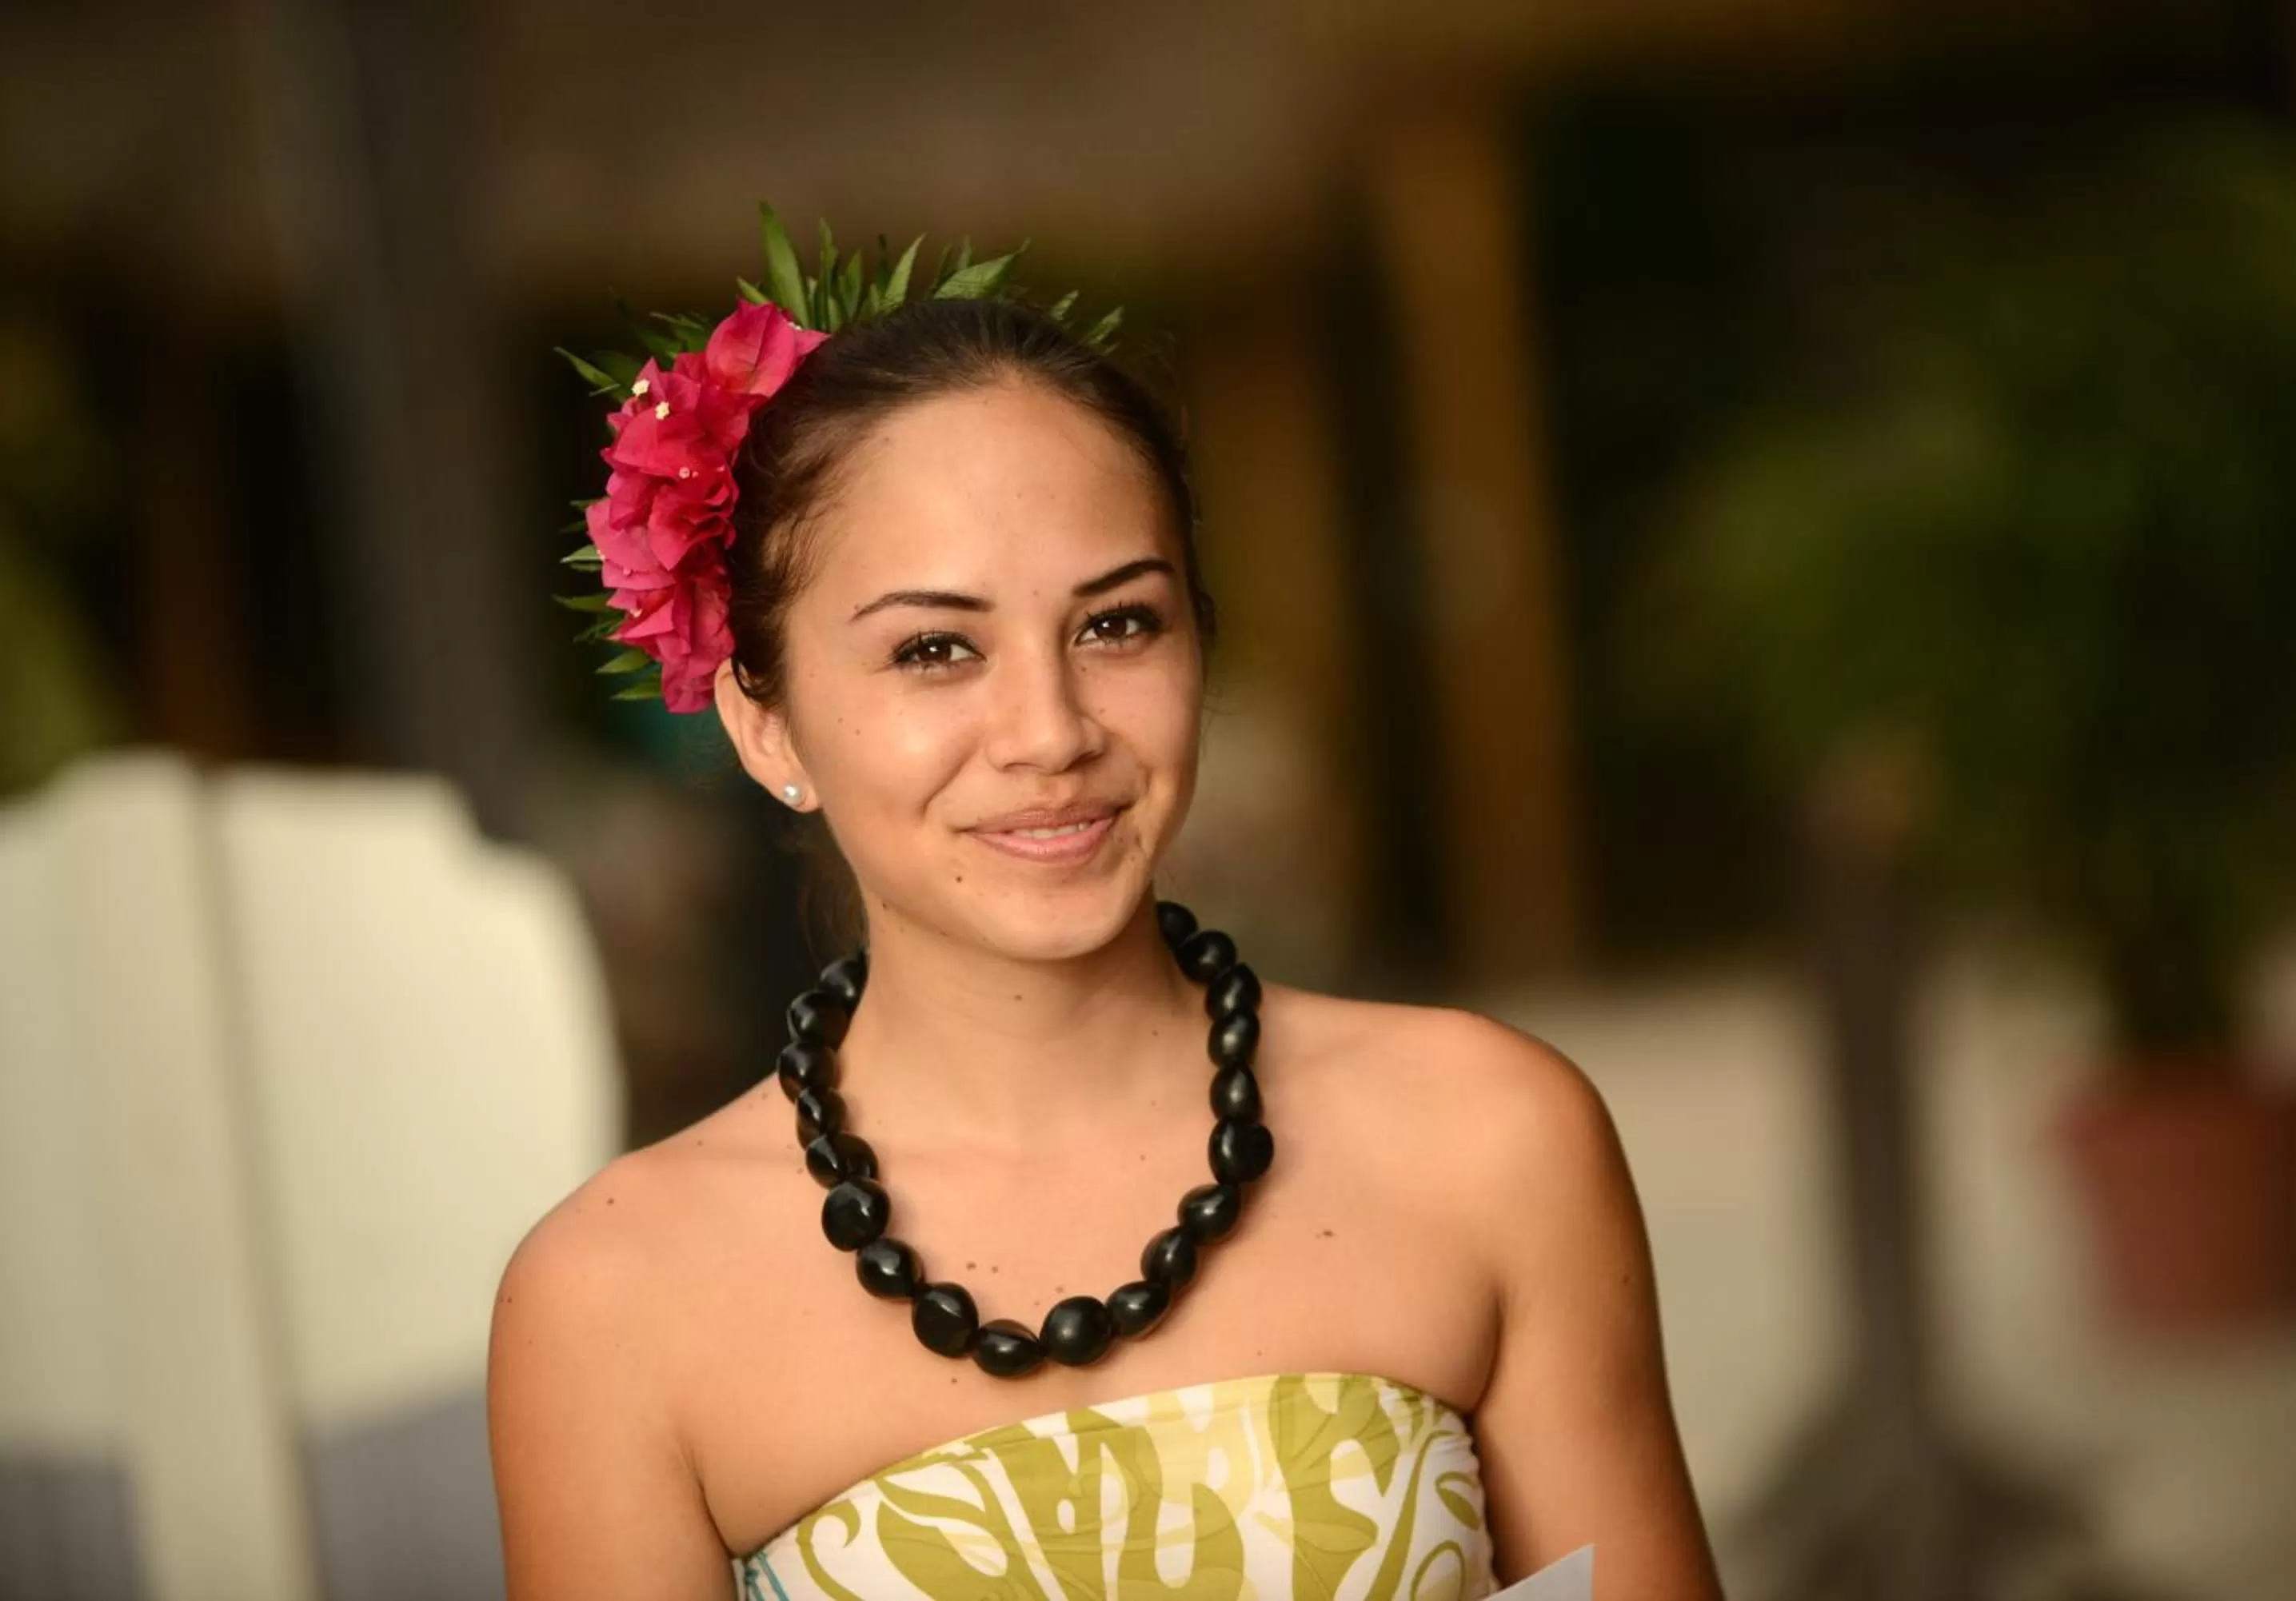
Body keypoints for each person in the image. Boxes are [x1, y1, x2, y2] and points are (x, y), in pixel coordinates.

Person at [488, 226, 1720, 1600]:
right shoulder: (615, 1298)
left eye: (1116, 624)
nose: (1050, 730)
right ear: (765, 723)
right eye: (935, 648)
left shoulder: (1492, 1137)